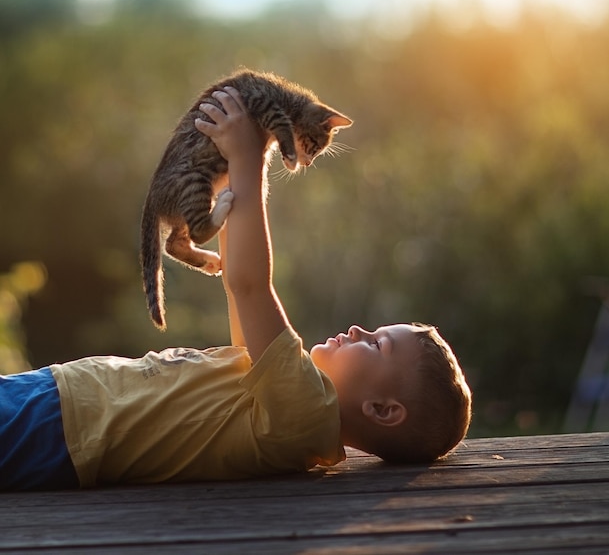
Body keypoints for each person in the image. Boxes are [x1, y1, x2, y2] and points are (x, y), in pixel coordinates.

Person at [0, 88, 471, 491]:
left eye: (376, 343)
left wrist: (248, 158)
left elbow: (250, 286)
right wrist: (226, 174)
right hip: (64, 396)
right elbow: (237, 285)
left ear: (382, 410)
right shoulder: (281, 399)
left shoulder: (304, 414)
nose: (356, 329)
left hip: (64, 428)